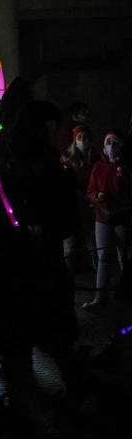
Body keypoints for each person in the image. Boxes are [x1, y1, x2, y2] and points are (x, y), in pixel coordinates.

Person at [0, 101, 84, 421]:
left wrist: (42, 228)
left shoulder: (48, 171)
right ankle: (25, 403)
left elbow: (68, 217)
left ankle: (67, 394)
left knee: (48, 340)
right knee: (23, 344)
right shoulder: (10, 169)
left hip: (37, 269)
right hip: (20, 269)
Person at [85, 131, 130, 311]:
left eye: (114, 142)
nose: (111, 145)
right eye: (108, 142)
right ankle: (100, 298)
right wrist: (98, 195)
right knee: (103, 256)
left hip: (121, 217)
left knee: (123, 256)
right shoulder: (98, 166)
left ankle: (125, 295)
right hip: (102, 217)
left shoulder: (126, 166)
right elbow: (90, 190)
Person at [62, 125, 99, 275]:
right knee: (69, 249)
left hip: (90, 207)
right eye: (79, 137)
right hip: (71, 208)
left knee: (94, 247)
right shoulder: (67, 159)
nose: (82, 140)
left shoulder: (95, 159)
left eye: (85, 137)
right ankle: (67, 280)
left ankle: (100, 279)